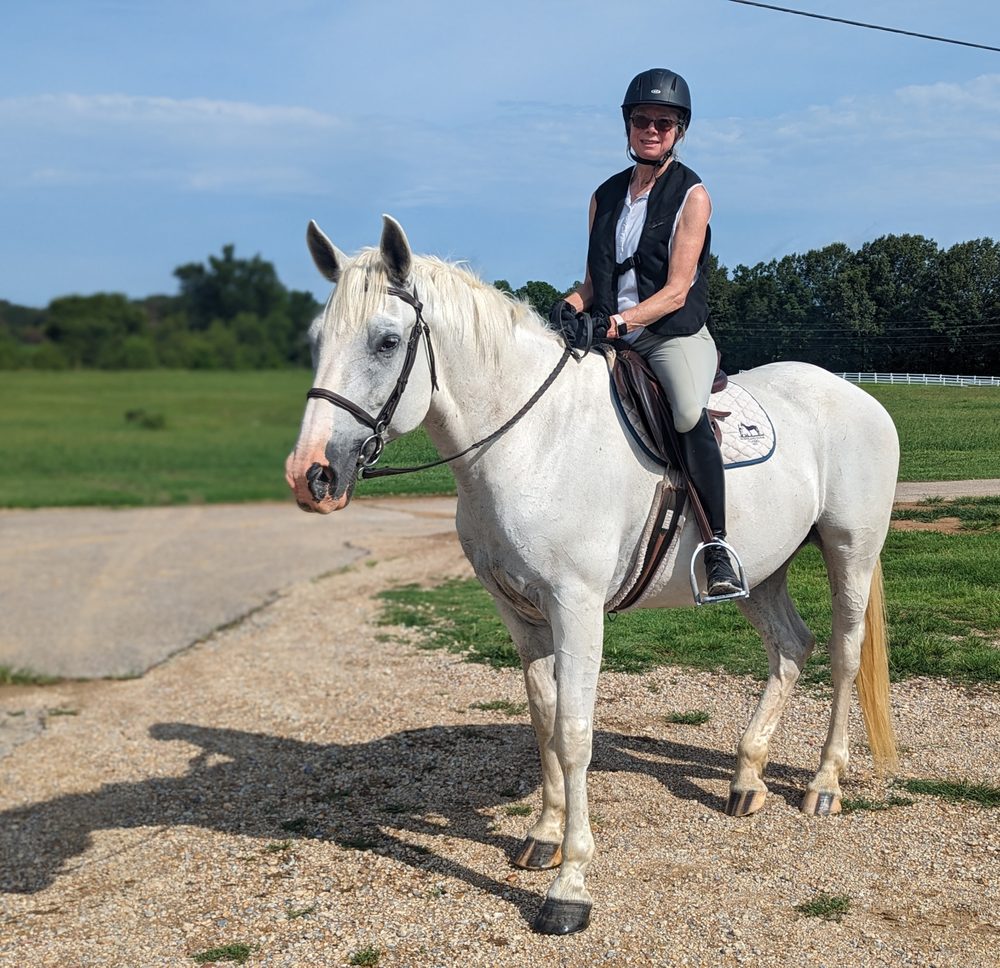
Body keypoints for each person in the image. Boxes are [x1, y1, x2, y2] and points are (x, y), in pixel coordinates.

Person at [551, 67, 744, 600]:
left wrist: (620, 322)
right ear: (628, 126)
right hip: (611, 332)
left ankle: (719, 548)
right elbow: (596, 280)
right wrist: (568, 305)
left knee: (685, 410)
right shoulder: (604, 197)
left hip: (670, 334)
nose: (651, 130)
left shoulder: (693, 195)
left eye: (663, 121)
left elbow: (679, 289)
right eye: (642, 120)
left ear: (679, 130)